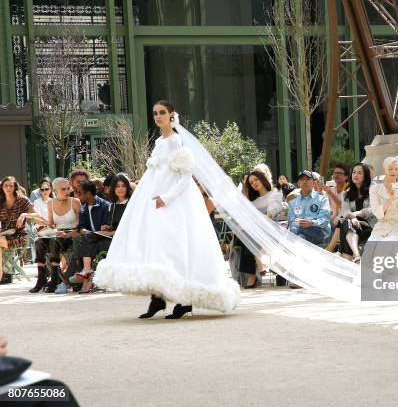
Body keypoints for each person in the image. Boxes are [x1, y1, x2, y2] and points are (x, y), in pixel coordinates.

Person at [94, 100, 240, 319]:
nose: (158, 116)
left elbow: (185, 177)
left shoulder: (175, 141)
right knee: (153, 247)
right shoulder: (160, 141)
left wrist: (166, 197)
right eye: (155, 113)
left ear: (172, 114)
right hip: (152, 201)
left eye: (162, 112)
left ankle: (184, 300)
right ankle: (158, 297)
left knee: (175, 248)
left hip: (173, 203)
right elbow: (157, 171)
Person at [79, 174, 133, 294]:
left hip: (126, 237)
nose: (120, 188)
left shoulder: (132, 204)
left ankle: (87, 276)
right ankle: (87, 270)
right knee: (87, 237)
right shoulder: (112, 205)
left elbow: (132, 225)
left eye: (123, 186)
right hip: (113, 235)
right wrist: (107, 227)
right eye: (117, 186)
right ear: (113, 188)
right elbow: (113, 224)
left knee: (90, 240)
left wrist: (113, 231)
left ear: (127, 188)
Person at [31, 178, 81, 293]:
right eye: (63, 189)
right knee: (38, 242)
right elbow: (52, 224)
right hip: (57, 233)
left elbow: (81, 224)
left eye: (68, 188)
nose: (67, 191)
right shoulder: (50, 203)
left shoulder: (75, 201)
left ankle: (54, 279)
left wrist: (68, 234)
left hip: (72, 234)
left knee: (54, 241)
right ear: (55, 190)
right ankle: (41, 278)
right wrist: (45, 227)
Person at [236, 170, 283, 288]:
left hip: (272, 231)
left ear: (262, 179)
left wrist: (264, 217)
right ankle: (258, 264)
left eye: (256, 180)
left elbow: (273, 211)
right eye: (251, 182)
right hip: (256, 232)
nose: (254, 183)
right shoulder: (253, 201)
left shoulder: (274, 194)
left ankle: (256, 269)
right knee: (245, 234)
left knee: (250, 236)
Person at [0, 176, 40, 283]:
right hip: (4, 235)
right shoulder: (1, 201)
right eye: (6, 185)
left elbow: (37, 215)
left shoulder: (22, 200)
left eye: (11, 186)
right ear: (2, 187)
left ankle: (2, 275)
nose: (8, 188)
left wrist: (24, 214)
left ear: (15, 187)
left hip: (20, 236)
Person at [369, 157, 398, 241]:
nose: (393, 171)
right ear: (385, 169)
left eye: (396, 169)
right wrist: (391, 199)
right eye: (390, 169)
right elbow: (377, 213)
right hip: (381, 228)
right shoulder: (374, 189)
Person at [337, 163, 376, 263]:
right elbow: (344, 211)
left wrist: (356, 214)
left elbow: (374, 209)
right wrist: (352, 218)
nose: (355, 175)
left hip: (368, 227)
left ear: (365, 175)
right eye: (354, 172)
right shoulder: (345, 193)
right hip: (352, 226)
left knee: (345, 229)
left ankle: (348, 265)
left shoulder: (373, 191)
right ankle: (357, 255)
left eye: (359, 173)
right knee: (346, 224)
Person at [287, 170, 332, 245]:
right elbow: (291, 221)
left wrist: (311, 223)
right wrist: (299, 223)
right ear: (298, 183)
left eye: (308, 179)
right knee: (298, 234)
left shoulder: (322, 198)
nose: (304, 182)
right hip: (299, 231)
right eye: (302, 179)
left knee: (297, 234)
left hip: (318, 230)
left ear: (313, 182)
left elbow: (325, 220)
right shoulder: (293, 201)